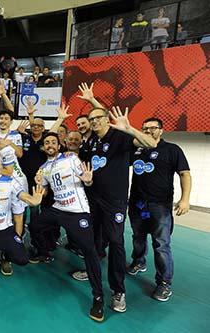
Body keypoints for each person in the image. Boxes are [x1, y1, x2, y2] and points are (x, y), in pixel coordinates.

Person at [74, 82, 157, 313]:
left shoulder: (119, 137)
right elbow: (87, 170)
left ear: (106, 119)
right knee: (92, 242)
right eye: (91, 119)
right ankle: (91, 274)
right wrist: (88, 181)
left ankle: (118, 290)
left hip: (115, 202)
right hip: (93, 199)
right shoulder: (90, 141)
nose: (94, 122)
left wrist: (129, 128)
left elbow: (150, 143)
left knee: (116, 242)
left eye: (98, 118)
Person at [30, 132, 105, 322]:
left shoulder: (70, 158)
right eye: (46, 143)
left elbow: (86, 178)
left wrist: (88, 179)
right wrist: (40, 187)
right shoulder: (43, 168)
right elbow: (45, 191)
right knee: (35, 225)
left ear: (59, 144)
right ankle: (44, 252)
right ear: (43, 147)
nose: (49, 145)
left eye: (53, 142)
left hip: (77, 211)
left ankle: (98, 297)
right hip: (57, 209)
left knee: (89, 251)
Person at [127, 117, 191, 302]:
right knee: (137, 236)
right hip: (137, 203)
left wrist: (185, 199)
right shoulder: (137, 150)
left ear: (161, 130)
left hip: (160, 206)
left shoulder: (172, 150)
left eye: (152, 128)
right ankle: (138, 262)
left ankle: (164, 283)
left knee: (161, 244)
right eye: (144, 128)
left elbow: (185, 174)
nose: (147, 131)